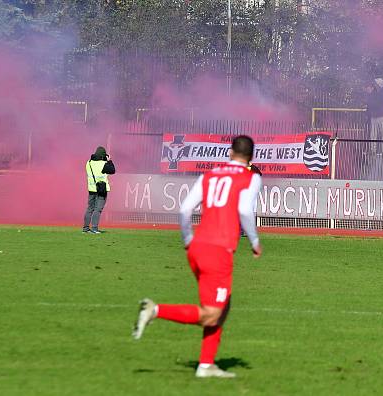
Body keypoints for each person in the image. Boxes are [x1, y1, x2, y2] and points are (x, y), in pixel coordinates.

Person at [132, 135, 262, 379]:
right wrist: (255, 241)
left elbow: (184, 209)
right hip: (218, 251)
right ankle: (155, 310)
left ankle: (206, 365)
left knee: (223, 307)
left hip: (197, 247)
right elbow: (245, 210)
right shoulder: (251, 177)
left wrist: (187, 240)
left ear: (230, 152)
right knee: (212, 313)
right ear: (251, 158)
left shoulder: (209, 175)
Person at [82, 146, 115, 234]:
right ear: (103, 155)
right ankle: (94, 228)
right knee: (98, 209)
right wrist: (109, 161)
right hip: (101, 190)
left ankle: (85, 229)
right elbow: (112, 170)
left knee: (90, 208)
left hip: (91, 189)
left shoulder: (88, 163)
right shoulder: (103, 163)